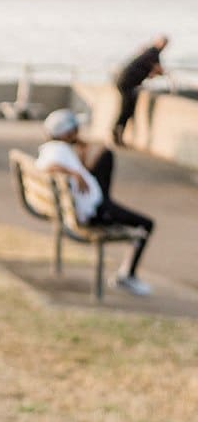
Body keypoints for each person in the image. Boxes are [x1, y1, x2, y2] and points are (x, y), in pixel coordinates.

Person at [36, 108, 156, 297]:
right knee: (147, 224)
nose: (79, 132)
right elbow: (48, 168)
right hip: (95, 211)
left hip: (91, 200)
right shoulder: (57, 153)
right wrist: (75, 173)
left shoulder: (54, 149)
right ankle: (127, 275)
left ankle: (127, 274)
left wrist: (81, 158)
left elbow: (69, 170)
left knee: (106, 155)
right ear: (67, 133)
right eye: (75, 129)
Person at [111, 35, 169, 146]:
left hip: (127, 83)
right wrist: (162, 72)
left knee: (128, 110)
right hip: (127, 84)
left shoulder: (149, 52)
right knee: (126, 110)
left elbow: (152, 71)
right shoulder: (153, 53)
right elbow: (158, 70)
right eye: (163, 43)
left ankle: (117, 134)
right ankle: (116, 133)